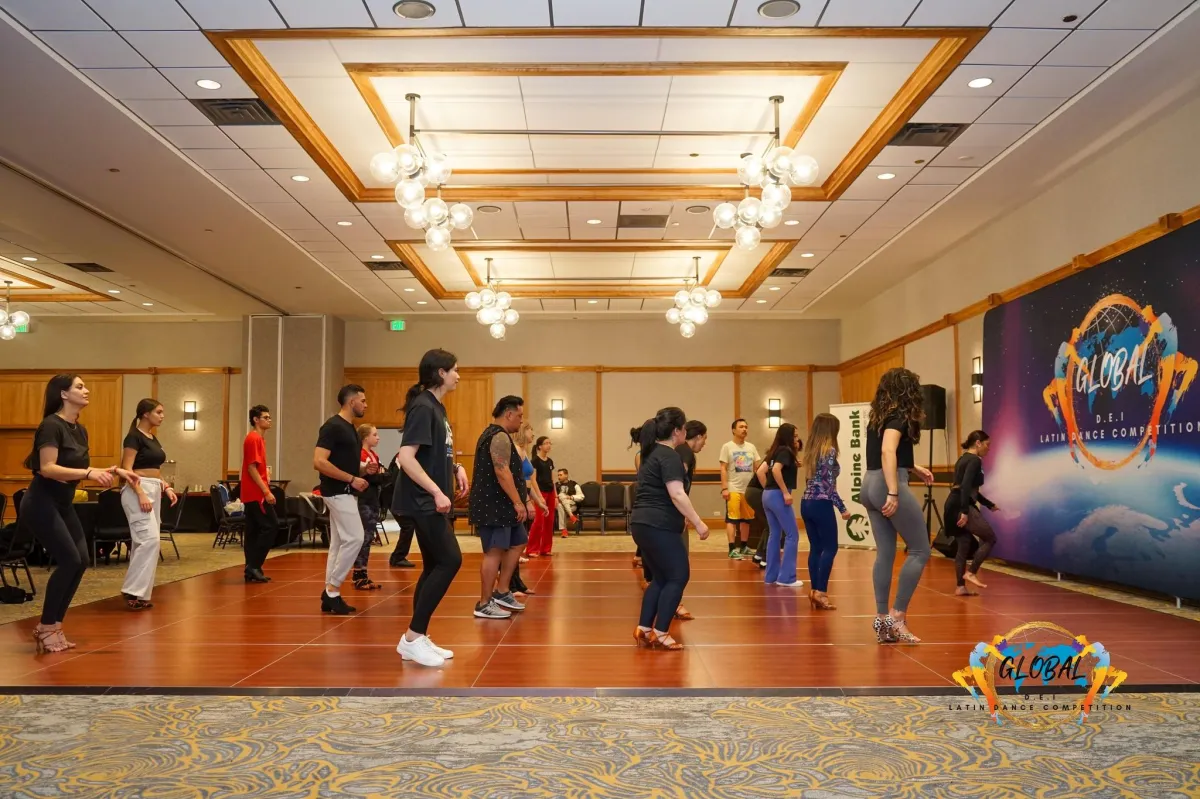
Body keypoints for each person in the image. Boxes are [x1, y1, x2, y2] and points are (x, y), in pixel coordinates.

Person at [22, 375, 139, 654]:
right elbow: (47, 468)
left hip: (63, 502)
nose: (86, 390)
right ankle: (48, 625)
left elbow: (75, 466)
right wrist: (88, 472)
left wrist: (114, 471)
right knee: (70, 560)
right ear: (63, 394)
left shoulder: (80, 429)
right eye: (79, 386)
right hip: (41, 501)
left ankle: (51, 626)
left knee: (81, 560)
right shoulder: (51, 425)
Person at [395, 349, 469, 667]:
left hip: (427, 500)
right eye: (454, 370)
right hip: (421, 501)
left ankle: (417, 638)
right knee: (450, 560)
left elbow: (434, 452)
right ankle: (412, 637)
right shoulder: (424, 407)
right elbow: (406, 457)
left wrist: (456, 468)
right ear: (440, 373)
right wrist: (438, 492)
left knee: (433, 565)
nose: (458, 375)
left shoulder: (437, 407)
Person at [860, 368, 935, 644]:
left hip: (868, 483)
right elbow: (887, 451)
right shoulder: (900, 416)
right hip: (886, 484)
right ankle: (898, 617)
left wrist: (913, 467)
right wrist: (893, 492)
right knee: (920, 550)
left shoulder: (878, 416)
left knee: (886, 553)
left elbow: (887, 449)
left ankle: (882, 620)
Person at [631, 408, 709, 651]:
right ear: (677, 431)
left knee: (661, 578)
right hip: (658, 524)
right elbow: (676, 493)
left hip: (642, 523)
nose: (686, 432)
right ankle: (662, 632)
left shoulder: (651, 452)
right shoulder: (669, 455)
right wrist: (698, 521)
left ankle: (644, 628)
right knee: (678, 576)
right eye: (684, 428)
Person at [469, 395, 536, 619]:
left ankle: (502, 591)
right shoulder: (497, 436)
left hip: (504, 504)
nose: (520, 420)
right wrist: (519, 502)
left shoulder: (501, 435)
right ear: (508, 414)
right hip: (493, 505)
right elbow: (501, 471)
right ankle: (484, 603)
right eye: (519, 415)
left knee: (519, 541)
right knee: (494, 551)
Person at [313, 384, 375, 615]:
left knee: (338, 544)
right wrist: (351, 478)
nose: (366, 405)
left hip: (345, 490)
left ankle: (330, 594)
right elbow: (319, 461)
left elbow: (343, 462)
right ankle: (332, 589)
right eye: (363, 400)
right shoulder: (332, 427)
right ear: (351, 402)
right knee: (356, 538)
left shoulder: (350, 428)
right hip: (337, 491)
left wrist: (362, 469)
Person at [119, 398, 179, 610]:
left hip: (153, 487)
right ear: (145, 413)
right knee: (149, 540)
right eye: (159, 412)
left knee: (144, 542)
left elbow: (155, 469)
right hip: (138, 489)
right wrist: (141, 493)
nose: (162, 416)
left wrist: (166, 486)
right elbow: (127, 469)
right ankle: (132, 591)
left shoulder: (152, 438)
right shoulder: (133, 437)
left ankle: (139, 593)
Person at [799, 413, 851, 610]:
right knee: (831, 548)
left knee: (816, 548)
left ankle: (815, 591)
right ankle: (821, 591)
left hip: (806, 502)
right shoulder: (828, 451)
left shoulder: (812, 451)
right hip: (821, 504)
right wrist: (842, 508)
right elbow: (828, 486)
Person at [944, 430, 1000, 596]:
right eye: (987, 445)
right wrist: (964, 511)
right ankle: (971, 572)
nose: (988, 449)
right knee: (990, 538)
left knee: (964, 544)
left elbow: (968, 488)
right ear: (978, 443)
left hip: (953, 503)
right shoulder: (975, 460)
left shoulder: (962, 459)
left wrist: (988, 504)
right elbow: (966, 486)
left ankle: (960, 586)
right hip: (962, 505)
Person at [670, 420, 707, 621]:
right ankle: (674, 603)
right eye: (705, 439)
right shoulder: (685, 452)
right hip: (675, 512)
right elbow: (678, 481)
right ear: (698, 436)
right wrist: (685, 513)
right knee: (680, 561)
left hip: (674, 510)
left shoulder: (679, 450)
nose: (704, 444)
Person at [761, 423, 804, 588]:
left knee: (775, 534)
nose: (796, 439)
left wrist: (770, 488)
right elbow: (776, 470)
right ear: (787, 437)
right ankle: (787, 577)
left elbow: (760, 471)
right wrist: (785, 492)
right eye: (794, 436)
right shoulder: (785, 451)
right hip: (778, 496)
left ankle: (771, 576)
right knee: (792, 535)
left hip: (767, 495)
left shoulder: (774, 451)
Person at [240, 404, 276, 583]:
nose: (269, 420)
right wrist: (265, 491)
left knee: (253, 530)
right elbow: (251, 468)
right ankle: (254, 565)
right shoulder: (253, 438)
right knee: (271, 525)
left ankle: (251, 568)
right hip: (255, 493)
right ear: (256, 419)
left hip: (252, 492)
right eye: (266, 417)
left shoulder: (259, 439)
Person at [719, 418, 760, 559]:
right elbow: (723, 468)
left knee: (746, 520)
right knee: (732, 519)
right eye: (741, 427)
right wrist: (724, 488)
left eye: (746, 427)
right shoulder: (727, 447)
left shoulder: (751, 447)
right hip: (733, 488)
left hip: (748, 490)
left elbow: (758, 467)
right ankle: (732, 548)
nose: (744, 429)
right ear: (733, 430)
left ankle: (744, 546)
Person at [352, 424, 385, 592]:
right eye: (375, 434)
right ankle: (358, 574)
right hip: (363, 500)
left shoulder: (374, 455)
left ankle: (363, 572)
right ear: (365, 438)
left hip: (373, 499)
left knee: (369, 537)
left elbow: (377, 476)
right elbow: (368, 476)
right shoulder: (361, 454)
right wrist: (378, 476)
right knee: (363, 538)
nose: (378, 437)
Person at [385, 452, 418, 569]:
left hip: (397, 496)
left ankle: (397, 557)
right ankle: (397, 557)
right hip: (394, 497)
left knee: (409, 526)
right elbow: (396, 478)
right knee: (408, 526)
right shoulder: (403, 456)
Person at [527, 437, 557, 557]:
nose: (548, 445)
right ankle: (532, 549)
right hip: (540, 492)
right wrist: (539, 496)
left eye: (550, 443)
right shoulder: (535, 461)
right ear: (539, 446)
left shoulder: (549, 461)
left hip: (550, 492)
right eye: (546, 443)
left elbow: (552, 479)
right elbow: (533, 480)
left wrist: (555, 497)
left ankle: (546, 548)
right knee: (539, 521)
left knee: (549, 521)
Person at [629, 426, 644, 569]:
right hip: (642, 491)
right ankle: (639, 555)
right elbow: (642, 474)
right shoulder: (640, 455)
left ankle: (639, 555)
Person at [555, 468, 582, 536]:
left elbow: (581, 496)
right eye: (558, 475)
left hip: (572, 505)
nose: (558, 477)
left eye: (560, 475)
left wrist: (571, 497)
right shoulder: (556, 485)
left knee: (561, 499)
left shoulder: (574, 484)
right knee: (560, 503)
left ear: (566, 475)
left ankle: (564, 530)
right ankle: (571, 517)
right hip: (559, 504)